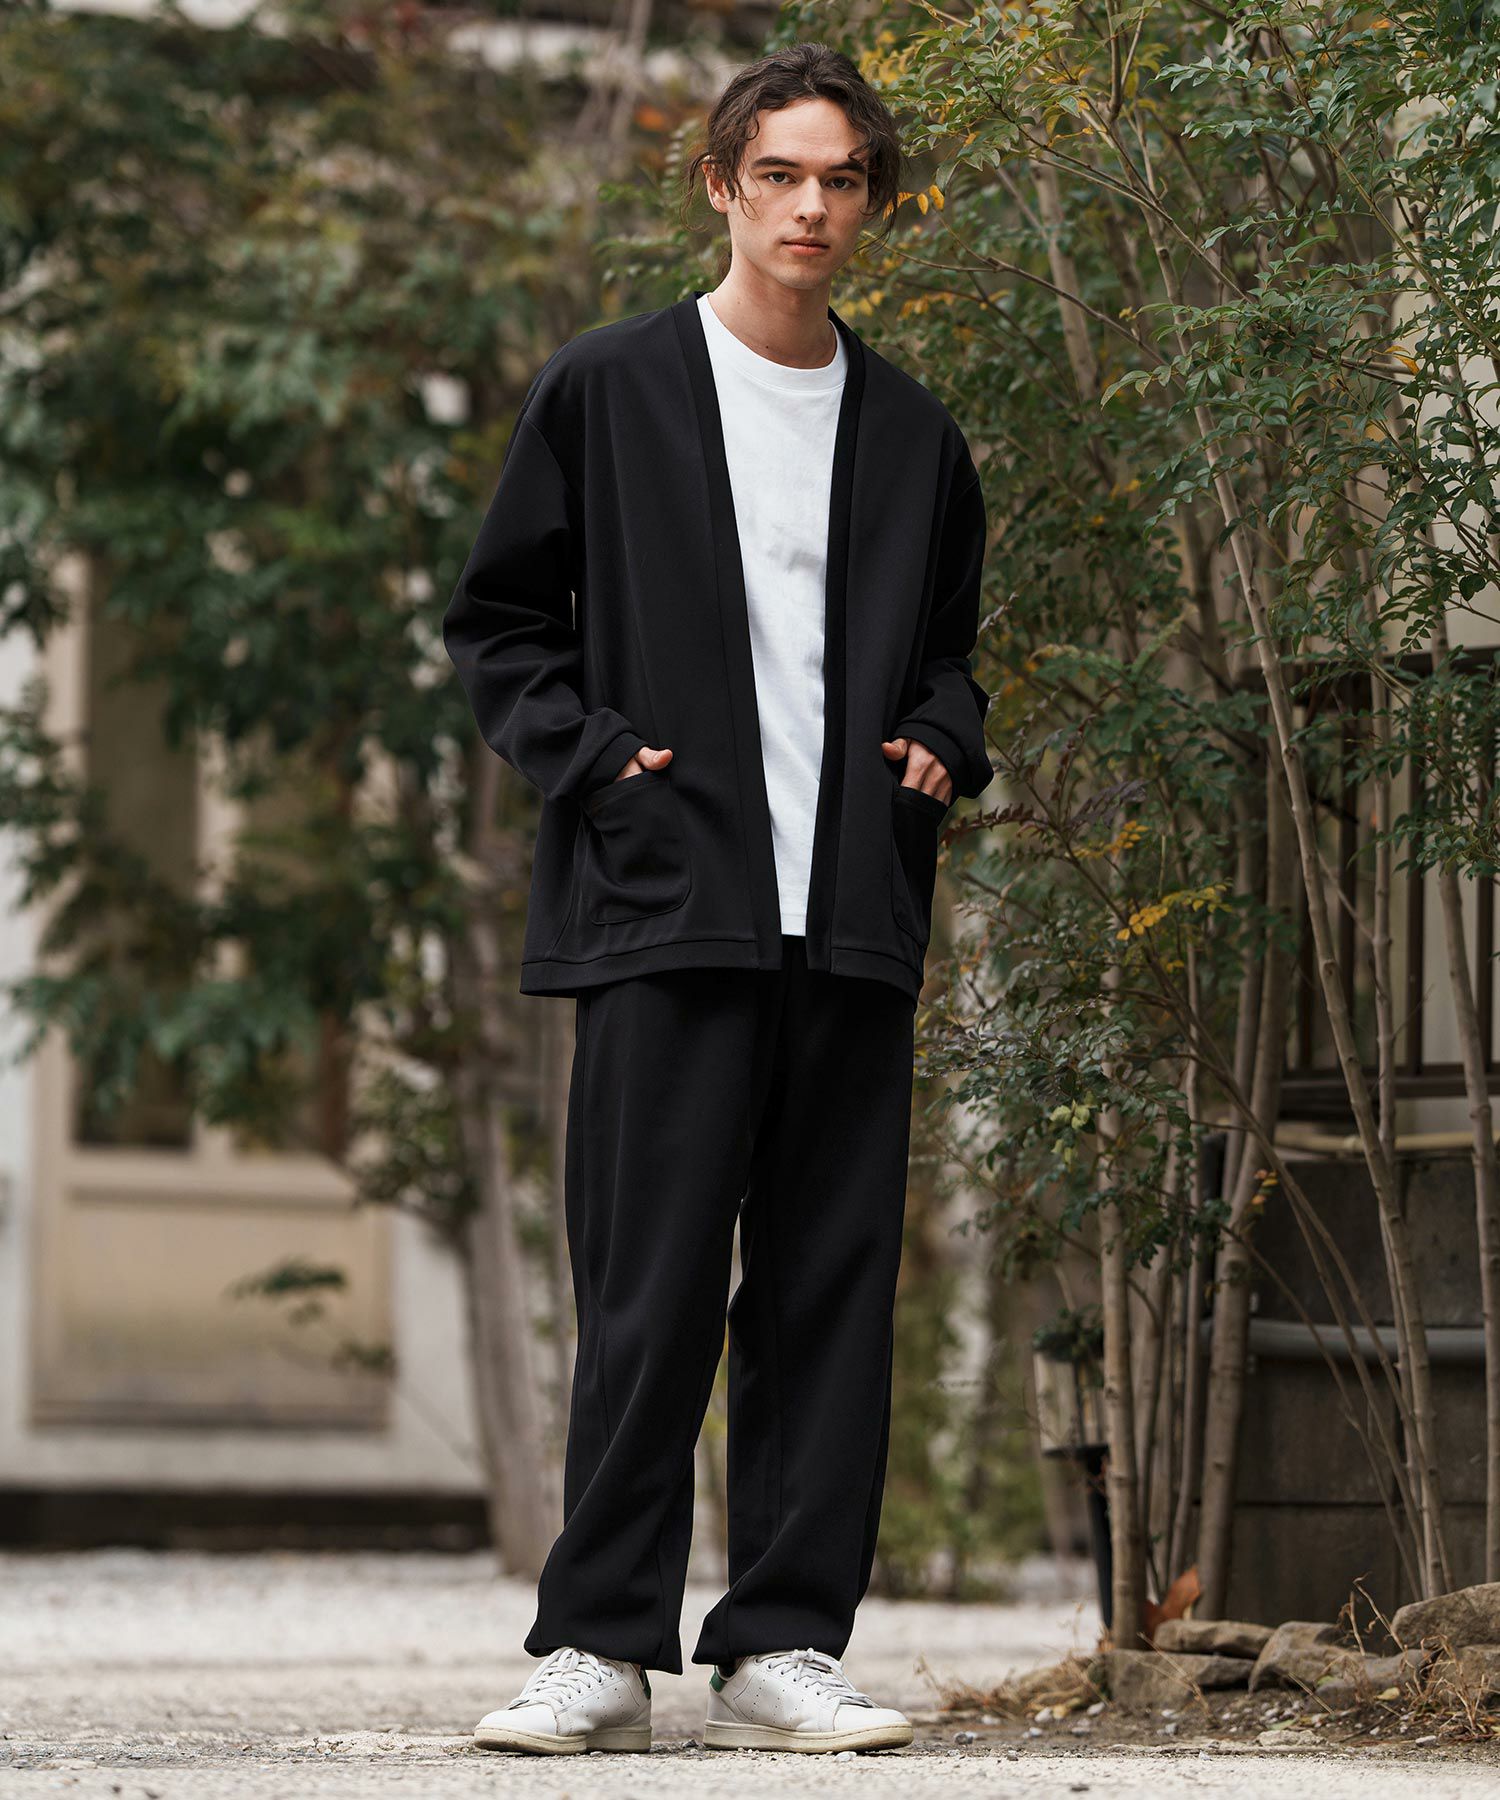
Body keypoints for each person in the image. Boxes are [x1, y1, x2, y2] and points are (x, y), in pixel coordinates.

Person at [442, 39, 992, 1757]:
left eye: (842, 179)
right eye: (781, 175)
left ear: (872, 204)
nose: (812, 206)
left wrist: (942, 738)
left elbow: (949, 658)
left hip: (851, 911)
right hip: (666, 898)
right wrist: (599, 763)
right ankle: (597, 1644)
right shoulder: (609, 390)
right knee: (650, 1287)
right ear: (721, 186)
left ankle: (782, 1643)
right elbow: (501, 626)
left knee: (829, 1287)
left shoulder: (914, 436)